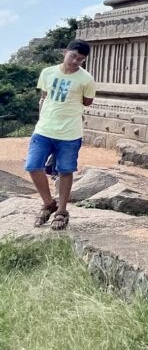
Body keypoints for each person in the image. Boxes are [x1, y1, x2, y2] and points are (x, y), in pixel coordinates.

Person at [24, 39, 96, 231]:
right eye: (73, 56)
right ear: (65, 52)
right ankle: (48, 203)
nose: (75, 61)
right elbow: (44, 97)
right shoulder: (47, 72)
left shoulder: (86, 79)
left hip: (70, 132)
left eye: (80, 59)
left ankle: (62, 210)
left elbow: (87, 102)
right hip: (44, 129)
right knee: (32, 165)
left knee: (65, 170)